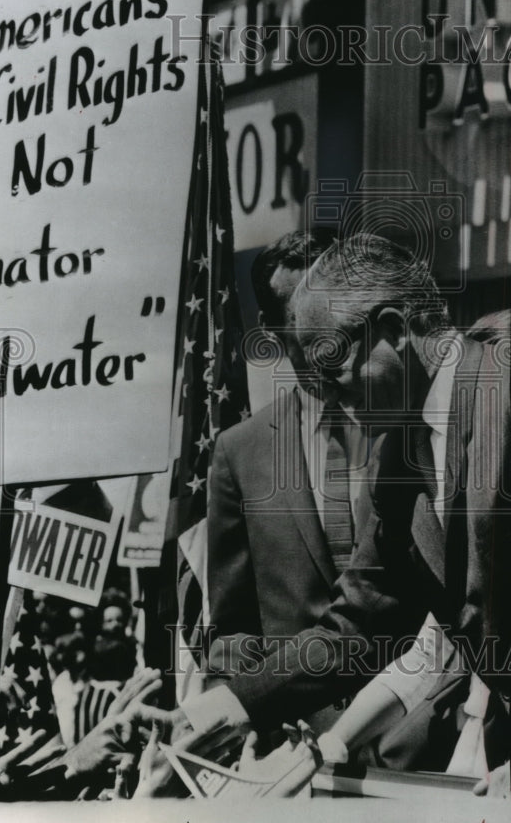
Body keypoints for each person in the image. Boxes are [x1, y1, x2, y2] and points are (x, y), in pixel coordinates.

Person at [176, 233, 511, 794]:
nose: (329, 402)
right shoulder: (396, 458)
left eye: (333, 373)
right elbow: (359, 626)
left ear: (392, 332)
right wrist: (227, 707)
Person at [206, 228, 386, 732]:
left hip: (421, 737)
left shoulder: (403, 424)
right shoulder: (240, 452)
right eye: (297, 317)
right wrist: (249, 704)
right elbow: (231, 632)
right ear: (269, 328)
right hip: (296, 743)